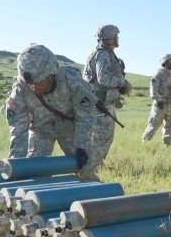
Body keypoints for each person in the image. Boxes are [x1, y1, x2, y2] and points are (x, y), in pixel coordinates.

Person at [7, 43, 98, 180]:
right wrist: (15, 164)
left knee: (85, 169)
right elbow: (18, 129)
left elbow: (86, 116)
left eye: (38, 82)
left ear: (51, 74)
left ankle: (96, 198)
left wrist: (82, 147)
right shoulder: (20, 91)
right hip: (40, 131)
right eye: (29, 83)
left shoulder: (72, 82)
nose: (33, 86)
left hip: (70, 130)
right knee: (35, 172)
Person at [82, 25, 130, 179]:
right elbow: (103, 78)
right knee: (101, 138)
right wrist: (121, 83)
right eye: (116, 36)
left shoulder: (102, 53)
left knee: (101, 137)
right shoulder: (102, 55)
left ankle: (96, 165)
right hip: (100, 104)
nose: (117, 38)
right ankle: (89, 171)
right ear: (110, 38)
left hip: (101, 102)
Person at [141, 54, 171, 146]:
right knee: (154, 125)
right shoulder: (159, 73)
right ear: (165, 62)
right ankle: (144, 143)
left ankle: (166, 145)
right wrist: (157, 100)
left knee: (170, 126)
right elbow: (153, 87)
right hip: (160, 105)